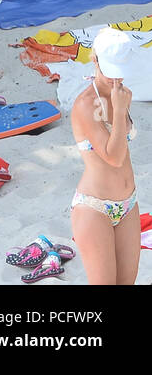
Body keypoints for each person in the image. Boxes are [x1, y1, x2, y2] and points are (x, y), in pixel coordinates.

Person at [70, 52, 140, 285]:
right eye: (108, 70)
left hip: (128, 204)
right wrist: (120, 111)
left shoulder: (120, 94)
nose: (114, 78)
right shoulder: (85, 104)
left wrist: (121, 107)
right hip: (94, 207)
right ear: (95, 60)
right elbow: (114, 157)